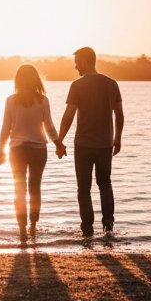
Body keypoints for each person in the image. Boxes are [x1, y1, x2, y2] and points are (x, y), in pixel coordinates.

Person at [56, 47, 124, 236]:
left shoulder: (77, 85)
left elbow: (68, 116)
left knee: (83, 187)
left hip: (84, 145)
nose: (75, 66)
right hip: (105, 144)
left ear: (85, 61)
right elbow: (119, 114)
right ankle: (108, 226)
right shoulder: (112, 84)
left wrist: (59, 140)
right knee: (105, 184)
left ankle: (87, 229)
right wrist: (117, 138)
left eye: (77, 61)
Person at [0, 64, 64, 240]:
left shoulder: (11, 100)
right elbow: (49, 126)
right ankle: (33, 225)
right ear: (36, 79)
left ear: (17, 80)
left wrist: (1, 150)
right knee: (35, 189)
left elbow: (5, 128)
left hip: (17, 150)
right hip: (38, 151)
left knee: (19, 189)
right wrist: (58, 143)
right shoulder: (43, 100)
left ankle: (22, 228)